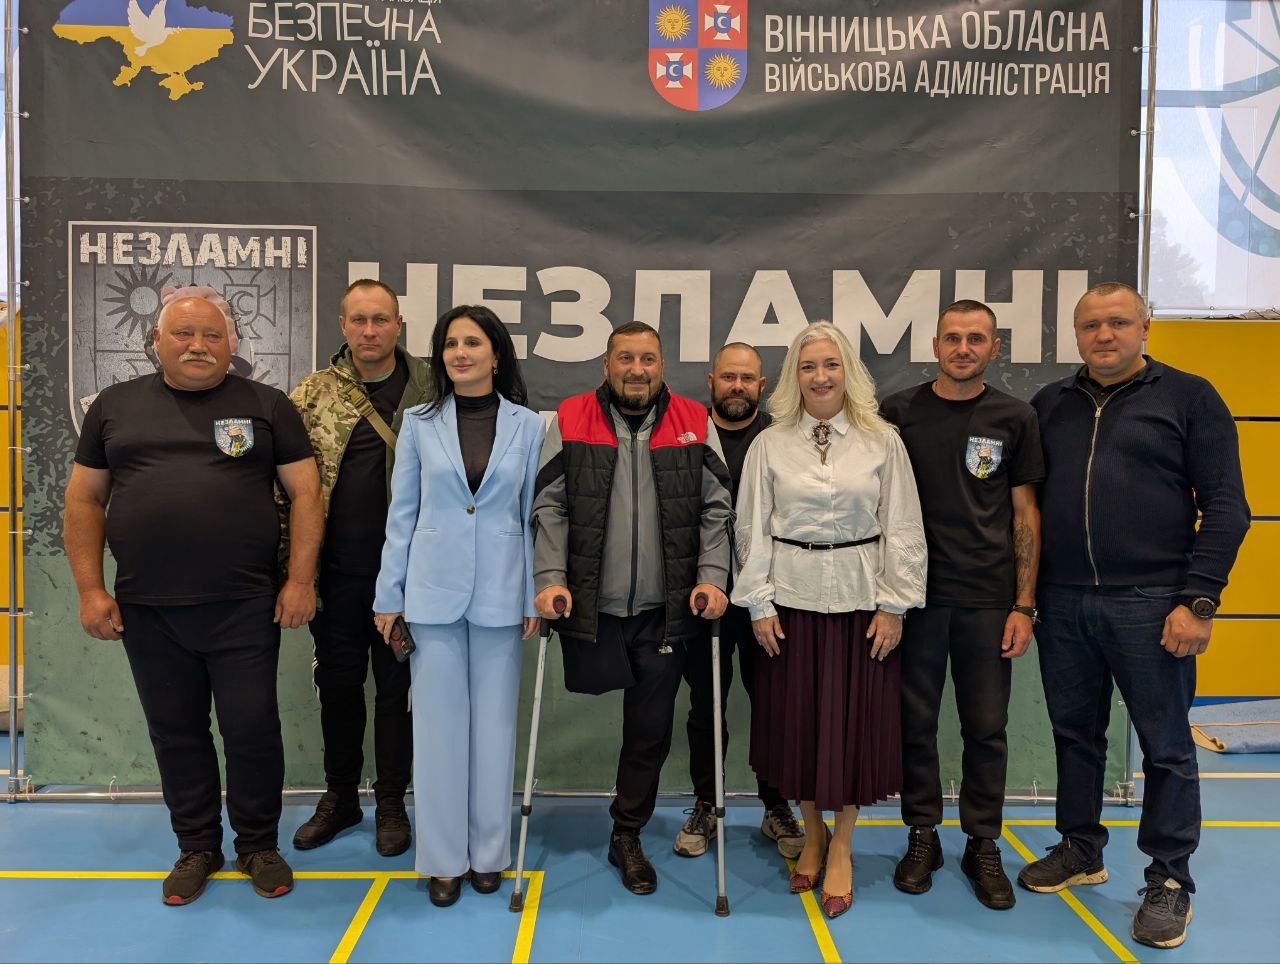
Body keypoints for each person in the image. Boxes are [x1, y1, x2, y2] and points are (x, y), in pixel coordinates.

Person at [64, 293, 323, 905]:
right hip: (148, 608)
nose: (198, 346)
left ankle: (258, 844)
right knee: (176, 733)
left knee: (251, 729)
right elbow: (83, 499)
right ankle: (197, 847)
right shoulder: (113, 407)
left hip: (244, 604)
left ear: (233, 344)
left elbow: (307, 493)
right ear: (156, 340)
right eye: (183, 333)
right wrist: (90, 589)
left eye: (212, 335)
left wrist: (300, 581)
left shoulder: (267, 405)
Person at [1024, 282, 1250, 949]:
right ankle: (1080, 848)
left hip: (1153, 604)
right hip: (1063, 601)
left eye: (1119, 322)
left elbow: (1228, 508)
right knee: (1075, 735)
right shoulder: (1050, 404)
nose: (1105, 335)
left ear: (1145, 327)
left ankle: (1169, 878)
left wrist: (1197, 601)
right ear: (1076, 334)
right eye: (1091, 325)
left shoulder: (1190, 397)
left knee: (1167, 747)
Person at [733, 321, 926, 920]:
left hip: (862, 607)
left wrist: (894, 603)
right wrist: (759, 602)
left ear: (848, 372)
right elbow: (750, 527)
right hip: (790, 606)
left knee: (852, 730)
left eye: (831, 364)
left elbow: (903, 525)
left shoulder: (881, 441)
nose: (820, 377)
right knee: (801, 729)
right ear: (794, 376)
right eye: (809, 366)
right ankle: (811, 836)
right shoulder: (770, 444)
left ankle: (841, 846)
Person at [532, 321, 733, 896]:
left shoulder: (695, 421)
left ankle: (627, 833)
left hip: (664, 611)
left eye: (647, 359)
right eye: (625, 358)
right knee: (612, 710)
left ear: (662, 365)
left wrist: (713, 578)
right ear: (606, 365)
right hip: (591, 606)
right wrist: (549, 578)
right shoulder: (570, 417)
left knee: (649, 730)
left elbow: (717, 508)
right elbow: (549, 505)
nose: (637, 369)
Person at [373, 305, 545, 908]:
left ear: (497, 355)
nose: (460, 353)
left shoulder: (530, 426)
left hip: (503, 593)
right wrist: (389, 596)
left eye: (473, 342)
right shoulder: (419, 423)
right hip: (432, 594)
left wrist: (533, 592)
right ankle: (444, 859)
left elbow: (533, 515)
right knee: (438, 732)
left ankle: (489, 854)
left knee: (494, 730)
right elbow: (402, 513)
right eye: (450, 344)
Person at [880, 300, 1044, 910]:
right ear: (935, 345)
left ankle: (982, 843)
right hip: (913, 599)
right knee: (914, 724)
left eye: (976, 339)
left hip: (987, 601)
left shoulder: (1015, 417)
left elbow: (1025, 513)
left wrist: (1023, 605)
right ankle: (922, 835)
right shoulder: (897, 412)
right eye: (953, 338)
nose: (963, 348)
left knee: (986, 729)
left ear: (994, 348)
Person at [286, 280, 432, 858]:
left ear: (399, 324)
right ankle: (341, 796)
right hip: (338, 574)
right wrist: (294, 573)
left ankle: (392, 801)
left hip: (412, 578)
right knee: (338, 688)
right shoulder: (313, 394)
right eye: (359, 320)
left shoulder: (431, 387)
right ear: (342, 325)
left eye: (381, 319)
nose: (370, 331)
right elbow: (285, 487)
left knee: (397, 691)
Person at [673, 343, 805, 861]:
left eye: (747, 378)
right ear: (710, 381)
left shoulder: (780, 438)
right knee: (706, 706)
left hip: (767, 597)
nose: (737, 386)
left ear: (762, 385)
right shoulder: (688, 435)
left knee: (773, 704)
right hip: (703, 595)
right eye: (728, 376)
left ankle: (776, 804)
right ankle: (707, 803)